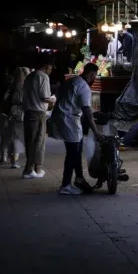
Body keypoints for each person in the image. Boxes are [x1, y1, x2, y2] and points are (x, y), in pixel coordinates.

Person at [52, 63, 102, 195]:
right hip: (68, 119)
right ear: (92, 74)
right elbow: (87, 111)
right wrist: (96, 132)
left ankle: (79, 178)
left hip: (65, 117)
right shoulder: (84, 87)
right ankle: (65, 185)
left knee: (78, 148)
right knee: (73, 152)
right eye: (94, 76)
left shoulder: (73, 80)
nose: (94, 79)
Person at [22, 55, 55, 179]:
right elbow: (44, 97)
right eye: (51, 67)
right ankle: (30, 170)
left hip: (28, 112)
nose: (51, 70)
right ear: (46, 66)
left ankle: (33, 169)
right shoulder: (43, 77)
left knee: (30, 141)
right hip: (38, 113)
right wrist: (53, 100)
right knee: (38, 142)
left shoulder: (29, 76)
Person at [0, 66, 30, 168]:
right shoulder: (26, 87)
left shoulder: (11, 86)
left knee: (11, 135)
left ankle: (7, 156)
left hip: (11, 113)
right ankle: (14, 161)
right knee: (18, 137)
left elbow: (5, 98)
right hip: (21, 113)